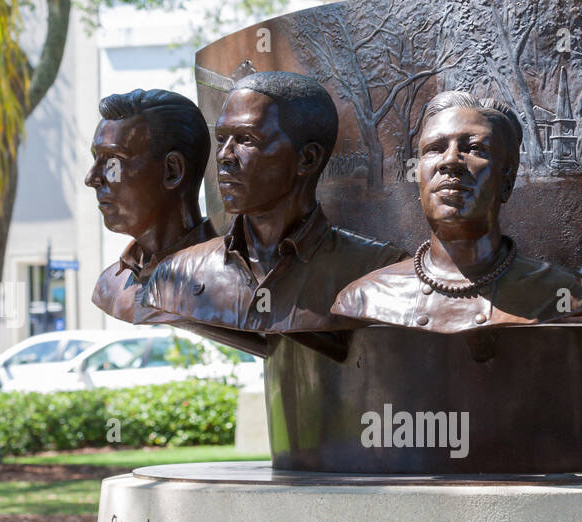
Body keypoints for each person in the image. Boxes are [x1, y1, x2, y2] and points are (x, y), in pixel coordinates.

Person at [141, 71, 405, 334]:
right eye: (221, 139)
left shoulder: (381, 272)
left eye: (246, 139)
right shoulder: (174, 276)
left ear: (307, 159)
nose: (224, 155)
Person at [331, 91, 582, 333]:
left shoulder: (569, 296)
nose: (450, 160)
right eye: (435, 149)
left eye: (475, 148)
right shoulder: (364, 299)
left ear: (507, 181)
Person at [86, 89, 218, 325]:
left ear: (172, 171)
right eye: (95, 159)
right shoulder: (110, 284)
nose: (92, 178)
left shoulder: (226, 281)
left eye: (112, 162)